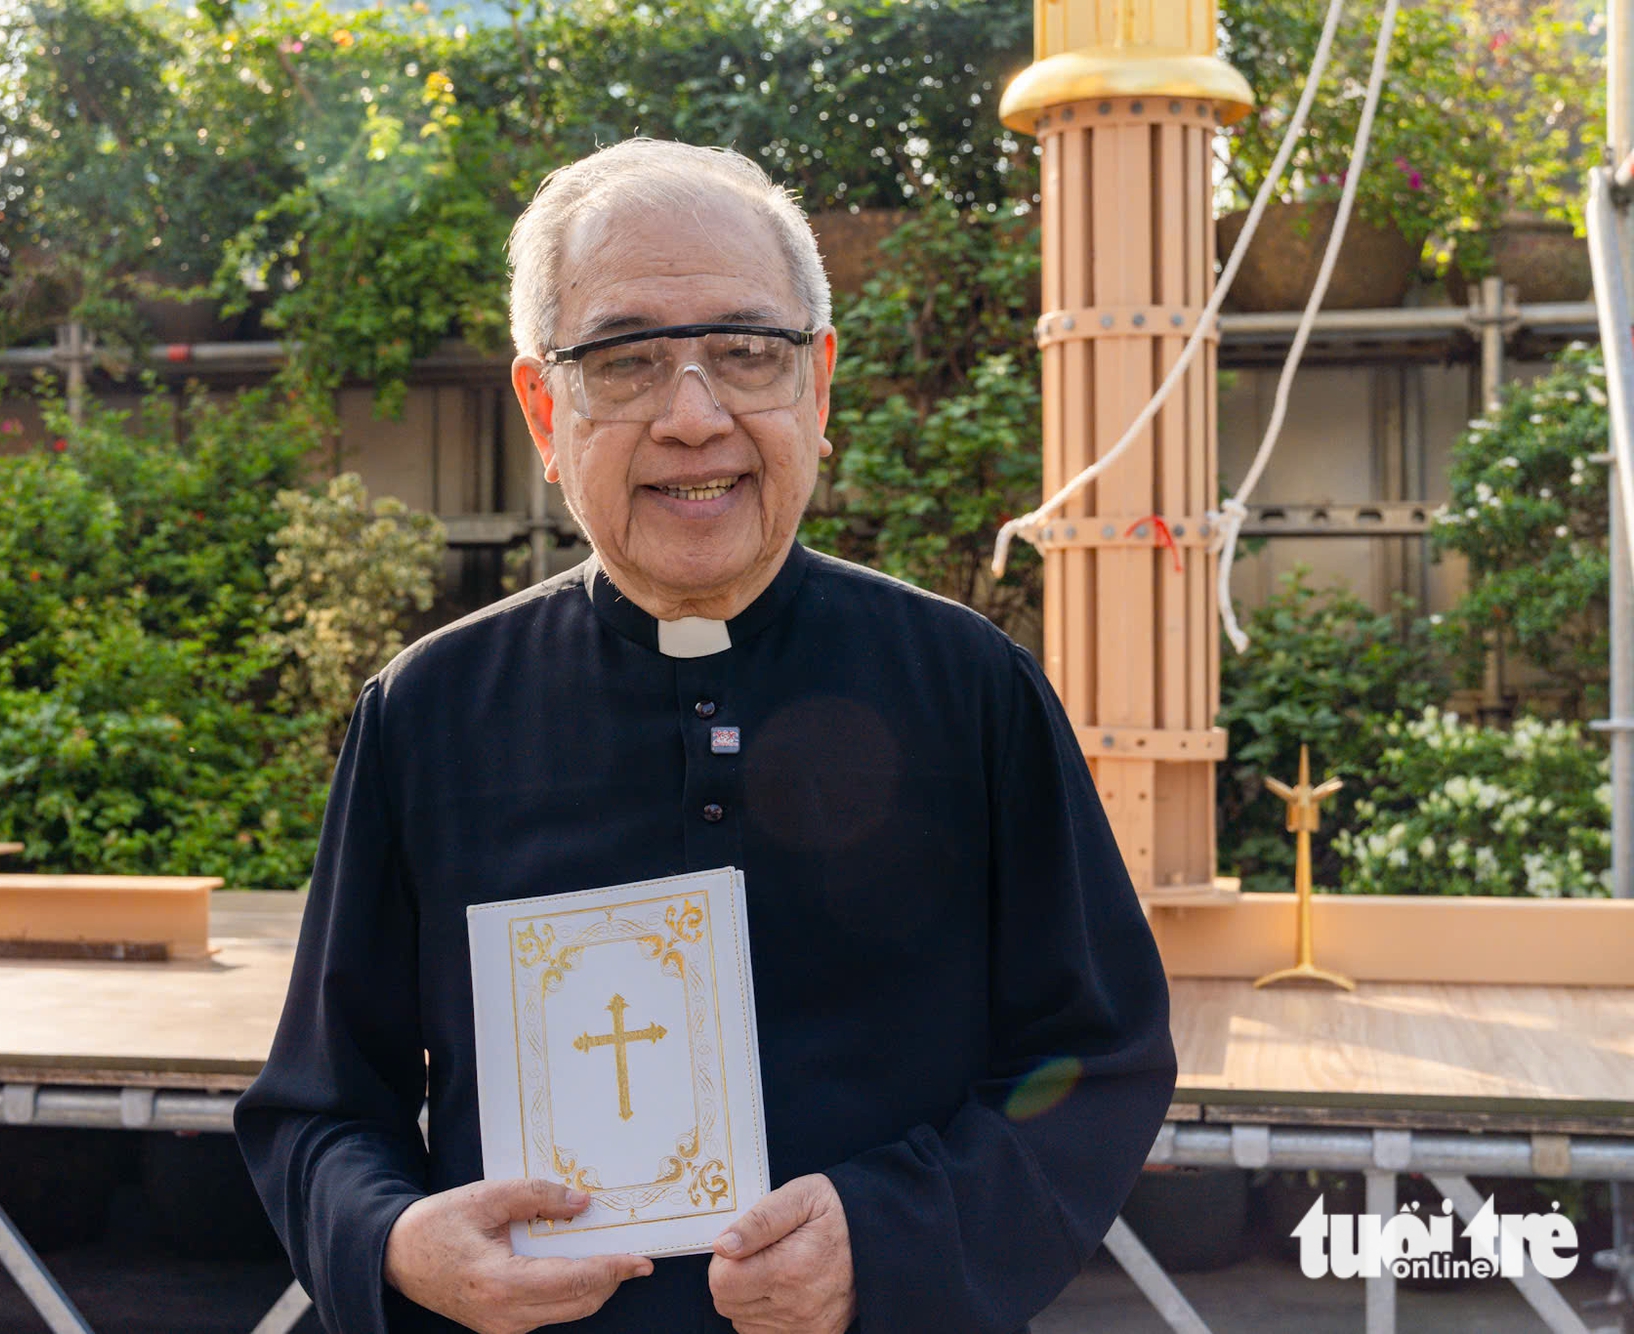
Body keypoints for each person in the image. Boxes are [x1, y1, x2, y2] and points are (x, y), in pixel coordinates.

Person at [234, 137, 1177, 1334]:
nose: (693, 416)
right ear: (543, 409)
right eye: (624, 360)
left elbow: (1096, 1061)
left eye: (745, 351)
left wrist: (888, 1235)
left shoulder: (970, 690)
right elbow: (315, 1110)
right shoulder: (427, 713)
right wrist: (395, 1242)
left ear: (817, 387)